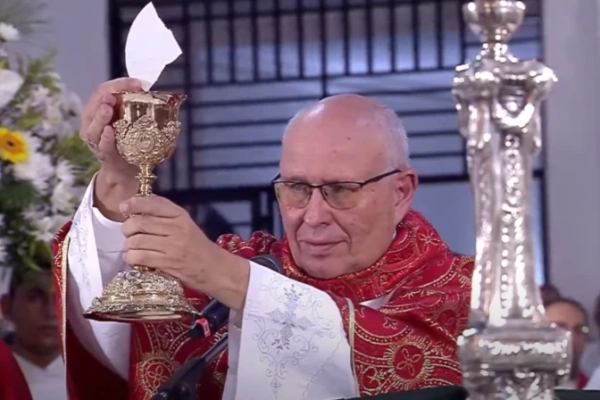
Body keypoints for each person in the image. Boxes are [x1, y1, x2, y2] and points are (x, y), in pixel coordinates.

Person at [52, 78, 474, 400]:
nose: (313, 216)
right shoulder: (249, 263)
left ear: (400, 192)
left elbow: (425, 367)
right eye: (296, 188)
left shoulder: (465, 291)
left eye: (341, 190)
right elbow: (117, 335)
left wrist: (232, 279)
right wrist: (120, 178)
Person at [0, 268, 64, 400]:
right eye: (34, 298)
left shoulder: (96, 376)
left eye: (59, 298)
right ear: (6, 306)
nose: (51, 312)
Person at [545, 298, 590, 389]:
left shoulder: (593, 388)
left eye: (579, 330)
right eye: (558, 328)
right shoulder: (516, 388)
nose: (571, 337)